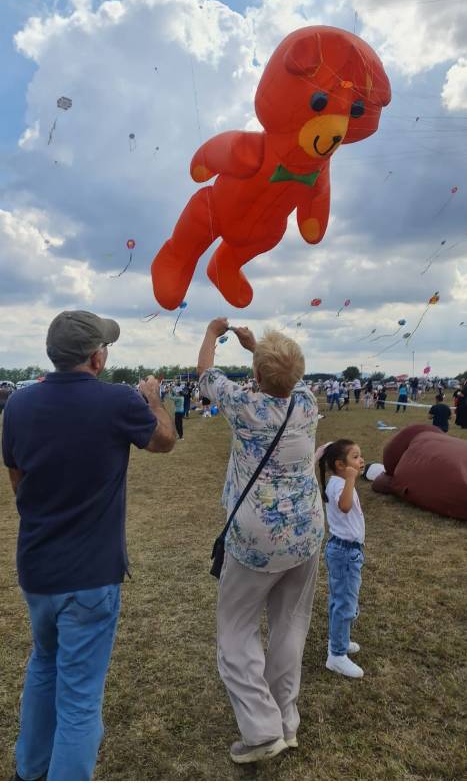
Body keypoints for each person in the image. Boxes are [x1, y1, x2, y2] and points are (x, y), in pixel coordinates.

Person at [2, 310, 176, 781]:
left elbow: (18, 480)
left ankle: (30, 769)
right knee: (79, 698)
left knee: (43, 665)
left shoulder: (17, 406)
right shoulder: (118, 401)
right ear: (97, 357)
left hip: (37, 570)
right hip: (90, 576)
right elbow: (165, 441)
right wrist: (154, 399)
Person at [198, 318, 324, 764]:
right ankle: (285, 722)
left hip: (256, 539)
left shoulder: (244, 406)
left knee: (235, 630)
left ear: (256, 375)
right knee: (291, 623)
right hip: (307, 531)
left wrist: (215, 335)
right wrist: (259, 351)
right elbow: (287, 379)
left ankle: (261, 729)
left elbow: (206, 376)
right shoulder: (307, 403)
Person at [318, 439, 365, 679]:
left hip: (348, 551)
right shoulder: (339, 483)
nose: (361, 460)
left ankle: (340, 641)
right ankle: (336, 655)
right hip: (344, 552)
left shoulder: (339, 481)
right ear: (339, 465)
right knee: (344, 604)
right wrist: (350, 479)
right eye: (355, 457)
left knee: (344, 601)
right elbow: (345, 507)